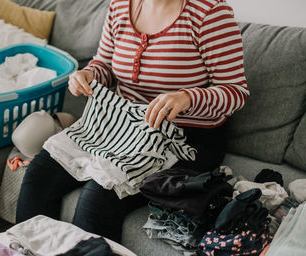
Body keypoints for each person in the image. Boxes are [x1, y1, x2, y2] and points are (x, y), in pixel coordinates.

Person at [16, 0, 249, 243]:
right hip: (121, 125)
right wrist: (89, 74)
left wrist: (187, 98)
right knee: (39, 173)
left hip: (185, 138)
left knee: (99, 195)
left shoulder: (209, 13)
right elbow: (104, 64)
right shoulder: (120, 6)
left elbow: (236, 91)